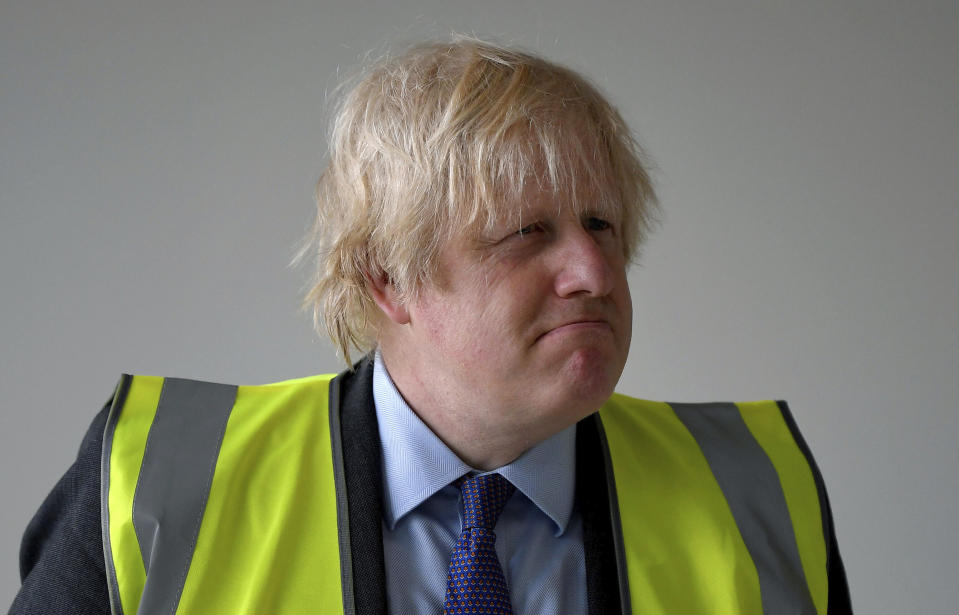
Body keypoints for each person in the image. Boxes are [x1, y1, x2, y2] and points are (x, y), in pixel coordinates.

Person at [10, 37, 852, 614]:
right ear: (389, 277)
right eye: (529, 233)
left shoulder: (754, 487)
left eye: (601, 225)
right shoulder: (159, 482)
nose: (594, 273)